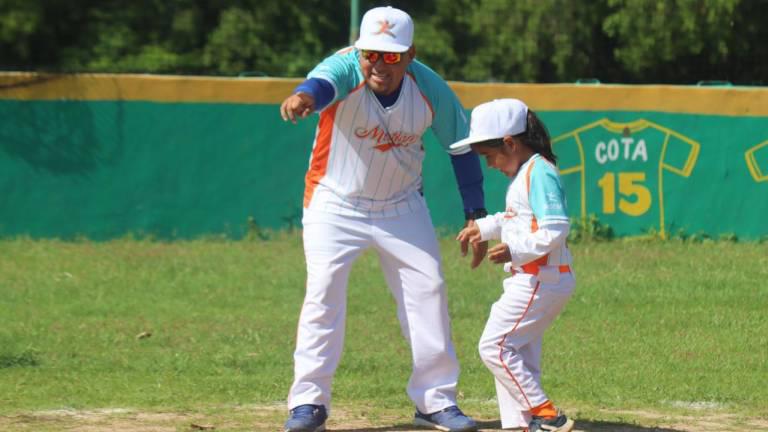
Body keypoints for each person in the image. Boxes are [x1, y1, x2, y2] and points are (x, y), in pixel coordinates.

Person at [279, 6, 488, 432]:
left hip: (401, 205)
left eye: (390, 56)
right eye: (370, 54)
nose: (378, 64)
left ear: (410, 54)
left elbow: (461, 147)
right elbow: (321, 84)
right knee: (323, 291)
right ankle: (308, 403)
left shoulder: (429, 87)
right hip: (335, 203)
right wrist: (304, 96)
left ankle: (435, 401)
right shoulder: (345, 67)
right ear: (360, 52)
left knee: (429, 289)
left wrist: (476, 213)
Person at [453, 99, 576, 432]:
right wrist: (483, 228)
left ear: (510, 143)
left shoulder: (540, 172)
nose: (489, 164)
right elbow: (515, 218)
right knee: (516, 354)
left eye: (489, 155)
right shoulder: (526, 172)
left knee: (494, 347)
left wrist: (515, 250)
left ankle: (547, 414)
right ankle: (521, 425)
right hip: (538, 278)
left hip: (541, 279)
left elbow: (555, 228)